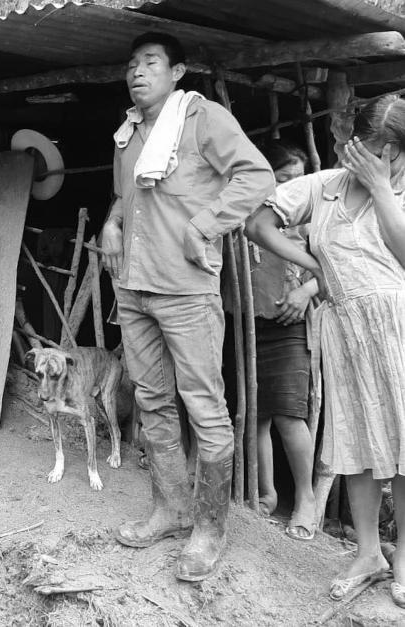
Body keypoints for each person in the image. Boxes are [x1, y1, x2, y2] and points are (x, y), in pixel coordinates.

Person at [101, 32, 275, 581]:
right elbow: (125, 198)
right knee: (152, 399)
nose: (137, 72)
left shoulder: (202, 118)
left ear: (177, 72)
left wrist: (205, 225)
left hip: (187, 289)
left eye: (150, 62)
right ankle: (171, 508)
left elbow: (257, 175)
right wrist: (111, 223)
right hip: (134, 285)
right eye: (132, 64)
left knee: (204, 405)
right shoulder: (128, 132)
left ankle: (209, 528)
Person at [246, 96, 405, 605]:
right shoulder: (324, 187)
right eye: (361, 149)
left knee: (404, 446)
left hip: (399, 326)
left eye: (380, 153)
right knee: (356, 444)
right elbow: (257, 224)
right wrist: (314, 266)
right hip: (345, 329)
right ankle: (368, 553)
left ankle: (404, 557)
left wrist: (381, 188)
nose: (367, 161)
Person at [228, 141, 318, 540]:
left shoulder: (311, 216)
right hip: (246, 321)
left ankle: (306, 500)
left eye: (299, 179)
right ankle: (266, 494)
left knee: (288, 413)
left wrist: (305, 292)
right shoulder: (243, 208)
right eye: (284, 179)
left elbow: (333, 266)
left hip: (288, 322)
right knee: (257, 414)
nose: (292, 187)